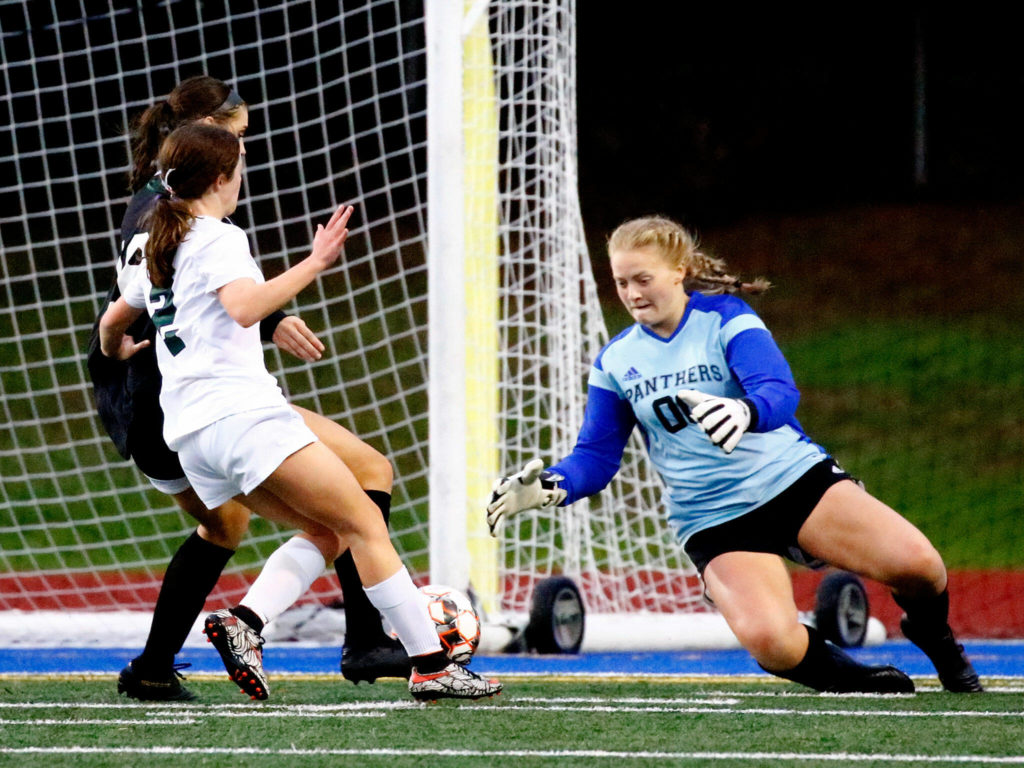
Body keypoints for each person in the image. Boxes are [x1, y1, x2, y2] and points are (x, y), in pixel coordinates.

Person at [486, 214, 982, 695]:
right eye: (621, 283)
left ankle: (939, 645)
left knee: (921, 566)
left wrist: (745, 411)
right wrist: (552, 484)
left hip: (791, 482)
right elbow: (594, 458)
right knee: (772, 644)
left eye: (643, 278)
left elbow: (778, 390)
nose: (633, 294)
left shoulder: (725, 318)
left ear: (678, 271)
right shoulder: (616, 360)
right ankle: (854, 679)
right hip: (713, 516)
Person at [98, 122, 501, 702]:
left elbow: (114, 324)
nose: (240, 182)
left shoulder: (155, 238)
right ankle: (433, 664)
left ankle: (244, 624)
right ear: (219, 178)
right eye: (238, 171)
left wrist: (120, 352)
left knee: (327, 529)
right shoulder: (216, 236)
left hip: (191, 432)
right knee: (364, 521)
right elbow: (242, 308)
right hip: (241, 417)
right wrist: (315, 262)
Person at [86, 76, 407, 701]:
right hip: (189, 402)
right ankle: (361, 641)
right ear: (205, 140)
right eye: (239, 140)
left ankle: (156, 666)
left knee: (228, 528)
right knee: (359, 485)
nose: (244, 156)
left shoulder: (168, 203)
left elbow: (153, 301)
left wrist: (271, 319)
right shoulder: (173, 214)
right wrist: (298, 281)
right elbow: (176, 298)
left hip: (163, 405)